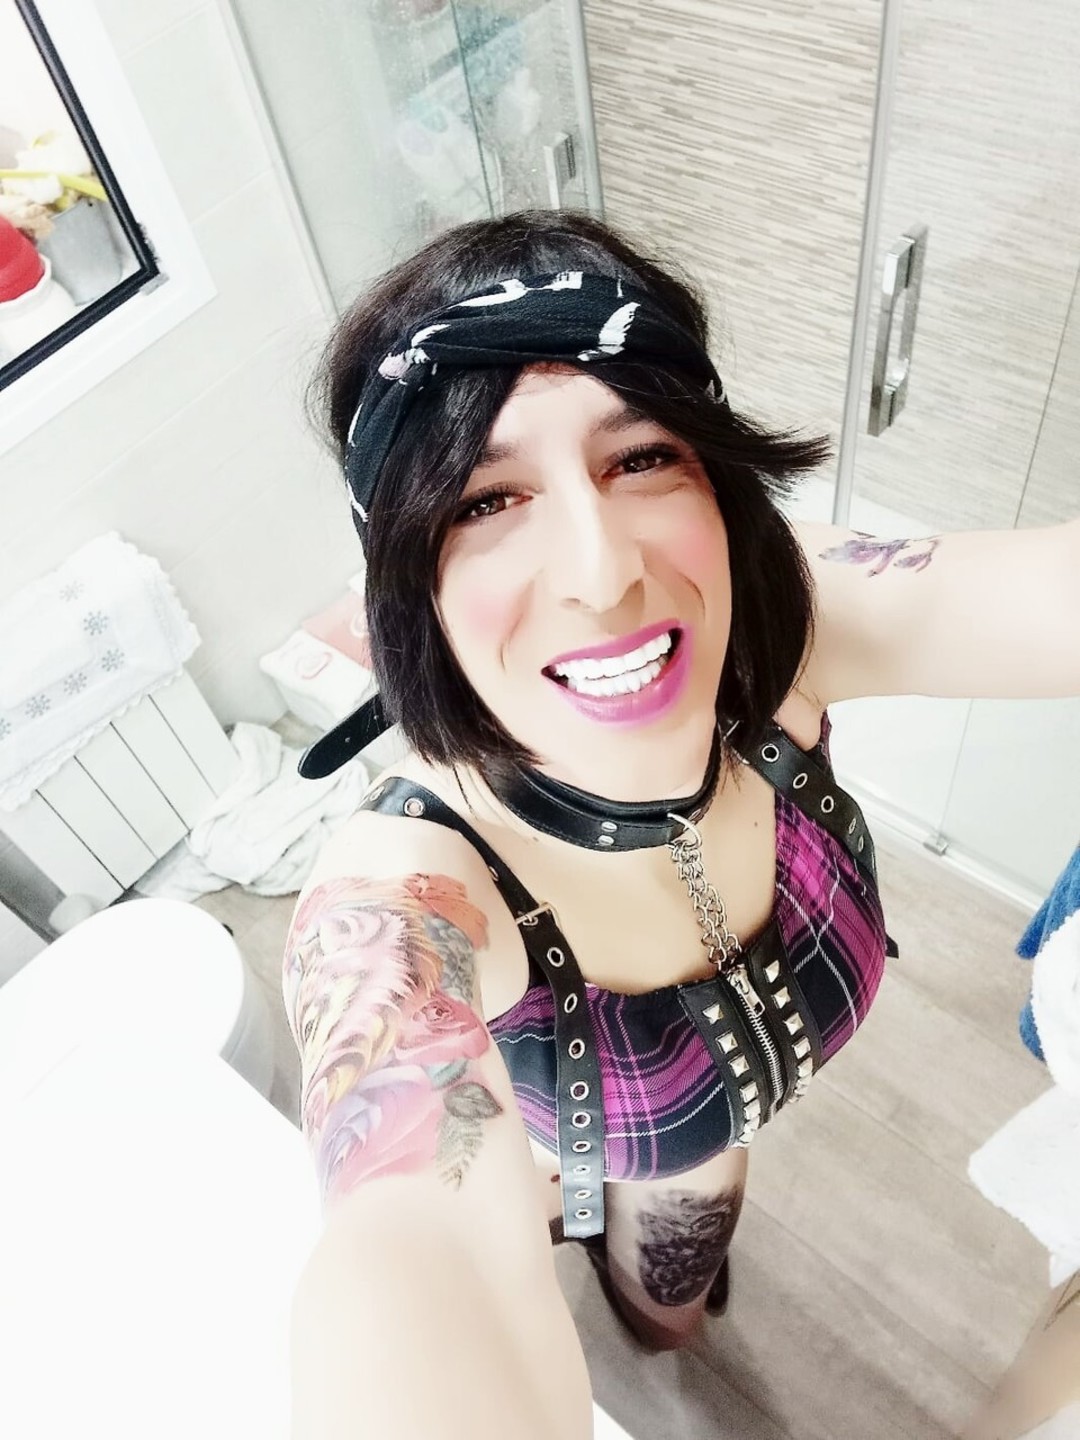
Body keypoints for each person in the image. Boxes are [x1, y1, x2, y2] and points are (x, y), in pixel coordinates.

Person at [282, 208, 1080, 1439]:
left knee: (677, 1295)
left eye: (642, 457)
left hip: (716, 1124)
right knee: (653, 1298)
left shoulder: (780, 618)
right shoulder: (410, 891)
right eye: (485, 501)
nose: (601, 573)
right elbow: (411, 1246)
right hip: (604, 1145)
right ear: (406, 580)